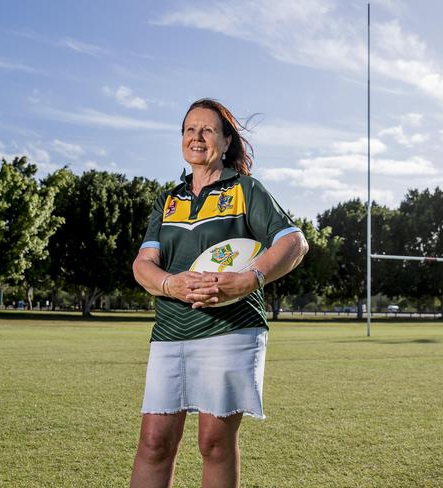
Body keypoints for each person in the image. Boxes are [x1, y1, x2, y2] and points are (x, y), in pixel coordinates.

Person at [130, 98, 309, 488]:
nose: (197, 137)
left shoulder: (246, 190)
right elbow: (142, 266)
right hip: (171, 332)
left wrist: (251, 279)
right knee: (154, 441)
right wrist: (168, 283)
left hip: (232, 331)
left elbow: (294, 242)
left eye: (207, 130)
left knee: (213, 443)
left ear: (226, 141)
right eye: (189, 129)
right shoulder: (168, 200)